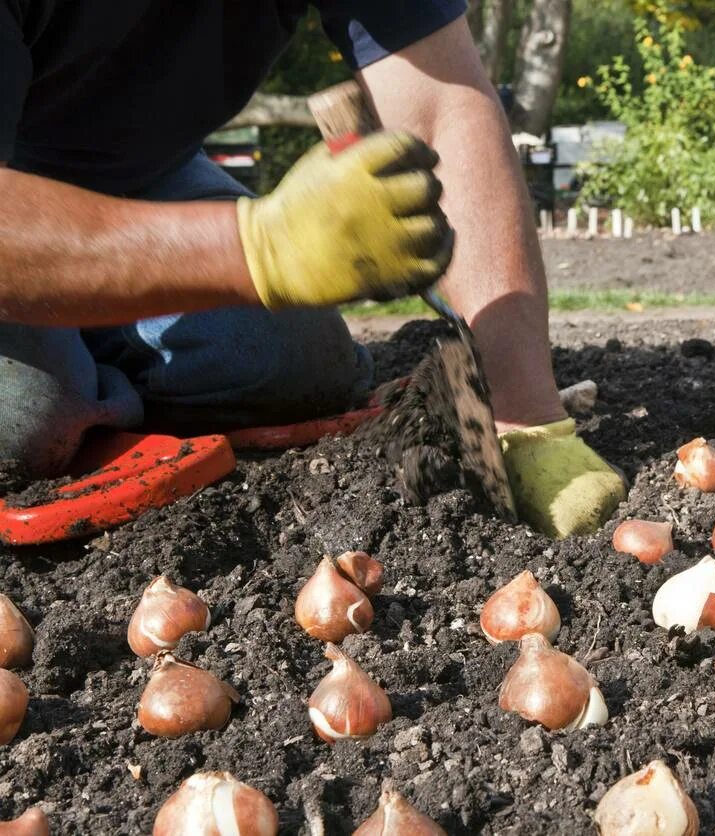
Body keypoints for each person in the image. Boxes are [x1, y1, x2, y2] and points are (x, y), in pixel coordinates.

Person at [0, 2, 626, 538]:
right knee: (25, 420)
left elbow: (439, 103)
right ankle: (69, 357)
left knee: (296, 362)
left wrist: (526, 415)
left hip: (139, 171)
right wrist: (258, 248)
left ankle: (81, 336)